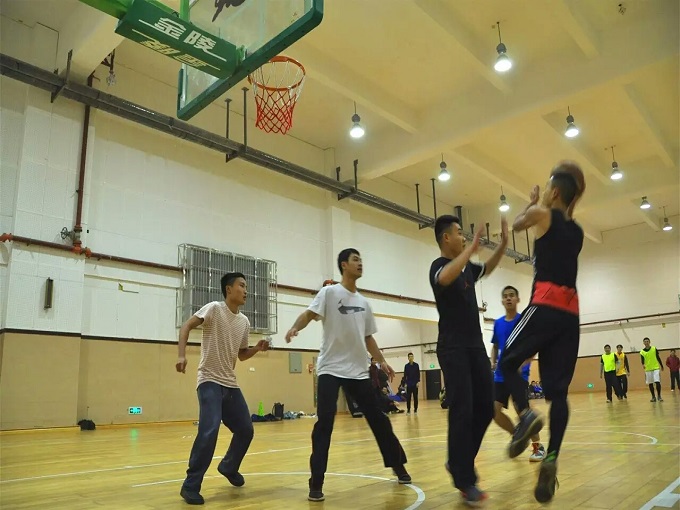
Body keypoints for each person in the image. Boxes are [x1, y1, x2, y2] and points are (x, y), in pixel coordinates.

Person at [285, 248, 411, 502]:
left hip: (358, 371)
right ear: (344, 265)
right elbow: (309, 314)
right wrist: (295, 328)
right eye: (355, 260)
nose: (360, 263)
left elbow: (368, 338)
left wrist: (382, 362)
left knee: (379, 420)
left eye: (361, 259)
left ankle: (398, 466)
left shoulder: (364, 303)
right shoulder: (329, 293)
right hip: (330, 369)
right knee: (325, 424)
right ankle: (316, 481)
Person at [499, 163, 585, 503]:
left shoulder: (542, 214)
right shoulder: (577, 231)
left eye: (549, 187)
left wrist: (532, 202)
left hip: (545, 304)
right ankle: (552, 456)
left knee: (506, 361)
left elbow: (518, 224)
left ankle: (526, 416)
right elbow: (568, 211)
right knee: (558, 394)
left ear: (555, 192)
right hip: (570, 315)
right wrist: (573, 193)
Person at [429, 213, 509, 505]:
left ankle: (457, 462)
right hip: (453, 348)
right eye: (459, 233)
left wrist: (504, 244)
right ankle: (465, 479)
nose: (463, 237)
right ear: (446, 237)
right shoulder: (439, 267)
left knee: (486, 408)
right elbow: (444, 277)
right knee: (462, 410)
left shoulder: (465, 269)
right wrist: (470, 249)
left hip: (475, 348)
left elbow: (486, 268)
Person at [176, 272, 271, 505]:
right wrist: (181, 355)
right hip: (209, 381)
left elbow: (241, 354)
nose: (246, 290)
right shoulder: (214, 309)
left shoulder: (244, 322)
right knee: (209, 430)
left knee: (246, 430)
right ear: (229, 289)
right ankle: (190, 486)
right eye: (242, 285)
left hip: (230, 384)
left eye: (246, 286)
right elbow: (186, 326)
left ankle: (229, 466)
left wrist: (256, 349)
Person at [490, 285, 545, 462]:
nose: (508, 298)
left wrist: (524, 363)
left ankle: (538, 447)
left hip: (518, 374)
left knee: (523, 412)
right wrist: (493, 362)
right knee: (494, 411)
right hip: (500, 374)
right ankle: (518, 436)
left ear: (518, 299)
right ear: (502, 301)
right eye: (505, 296)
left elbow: (534, 346)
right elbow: (495, 346)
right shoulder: (498, 323)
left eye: (512, 295)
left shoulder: (523, 321)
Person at [641, 337, 664, 402]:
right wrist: (643, 364)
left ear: (649, 342)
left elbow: (658, 357)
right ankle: (653, 397)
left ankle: (659, 396)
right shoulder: (642, 351)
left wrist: (661, 365)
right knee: (650, 383)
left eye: (647, 341)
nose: (646, 343)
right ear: (643, 343)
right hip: (648, 369)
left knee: (657, 381)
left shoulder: (654, 348)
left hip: (655, 368)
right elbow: (642, 360)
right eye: (645, 341)